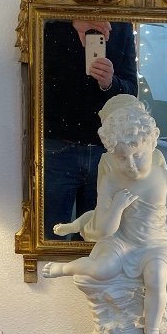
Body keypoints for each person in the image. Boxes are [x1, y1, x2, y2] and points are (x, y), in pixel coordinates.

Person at [42, 95, 167, 334]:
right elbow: (105, 229)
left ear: (152, 141)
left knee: (156, 280)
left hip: (155, 245)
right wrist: (117, 207)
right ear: (111, 155)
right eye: (122, 159)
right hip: (123, 242)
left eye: (137, 155)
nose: (130, 165)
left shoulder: (165, 179)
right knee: (101, 269)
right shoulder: (111, 180)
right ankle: (67, 267)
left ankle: (152, 332)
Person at [42, 19, 137, 238]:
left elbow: (131, 92)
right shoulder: (52, 20)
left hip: (105, 150)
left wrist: (110, 82)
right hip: (56, 145)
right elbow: (38, 74)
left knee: (98, 240)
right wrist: (71, 24)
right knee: (48, 236)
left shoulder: (121, 25)